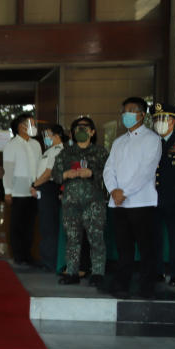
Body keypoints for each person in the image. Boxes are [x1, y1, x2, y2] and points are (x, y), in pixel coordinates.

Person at [103, 97, 162, 299]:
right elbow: (108, 169)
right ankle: (122, 283)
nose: (126, 114)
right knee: (123, 247)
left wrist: (123, 192)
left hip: (142, 202)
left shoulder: (152, 139)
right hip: (119, 204)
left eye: (130, 110)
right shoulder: (118, 142)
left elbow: (146, 172)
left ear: (142, 114)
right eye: (124, 111)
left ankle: (147, 286)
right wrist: (113, 190)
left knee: (146, 247)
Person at [52, 116, 108, 286]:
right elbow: (55, 175)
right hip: (71, 204)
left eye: (85, 128)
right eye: (77, 129)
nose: (81, 132)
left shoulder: (101, 153)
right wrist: (65, 175)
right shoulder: (66, 153)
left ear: (92, 132)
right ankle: (72, 272)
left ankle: (98, 273)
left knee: (96, 239)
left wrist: (92, 173)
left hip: (94, 204)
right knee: (72, 239)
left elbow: (109, 176)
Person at [151, 103, 175, 286]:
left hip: (174, 197)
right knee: (155, 237)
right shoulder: (150, 141)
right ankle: (157, 272)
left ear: (173, 121)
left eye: (163, 119)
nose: (160, 123)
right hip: (152, 197)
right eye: (156, 119)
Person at [2, 112, 43, 266]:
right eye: (30, 124)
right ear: (20, 127)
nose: (33, 127)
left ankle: (28, 254)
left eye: (34, 124)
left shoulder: (36, 144)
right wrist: (7, 191)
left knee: (30, 225)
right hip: (18, 191)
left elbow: (40, 166)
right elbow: (8, 169)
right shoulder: (11, 145)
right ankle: (18, 254)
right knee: (17, 225)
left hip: (33, 190)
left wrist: (38, 185)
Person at [33, 124, 65, 273]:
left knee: (49, 227)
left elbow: (48, 173)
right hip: (43, 188)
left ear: (57, 135)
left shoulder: (58, 151)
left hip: (49, 188)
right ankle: (46, 260)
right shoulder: (50, 151)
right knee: (45, 226)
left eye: (48, 135)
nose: (45, 138)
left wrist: (34, 185)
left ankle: (50, 262)